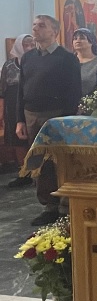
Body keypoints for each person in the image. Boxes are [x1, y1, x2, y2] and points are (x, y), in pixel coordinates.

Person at [17, 15, 81, 225]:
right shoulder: (28, 58)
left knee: (58, 161)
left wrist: (66, 120)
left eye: (41, 26)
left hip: (56, 115)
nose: (36, 29)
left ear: (54, 31)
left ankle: (64, 203)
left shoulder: (67, 58)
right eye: (34, 25)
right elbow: (21, 91)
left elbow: (74, 92)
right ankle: (48, 205)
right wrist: (20, 120)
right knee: (39, 162)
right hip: (31, 114)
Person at [2, 34, 34, 188]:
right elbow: (2, 89)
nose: (29, 47)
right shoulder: (9, 65)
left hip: (31, 104)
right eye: (26, 44)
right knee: (17, 140)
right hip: (12, 106)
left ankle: (38, 173)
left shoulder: (37, 62)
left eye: (32, 44)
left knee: (33, 137)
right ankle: (24, 173)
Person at [70, 28, 97, 95]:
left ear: (91, 42)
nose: (78, 41)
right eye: (75, 39)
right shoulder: (68, 61)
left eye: (82, 38)